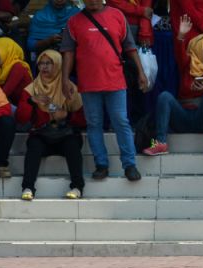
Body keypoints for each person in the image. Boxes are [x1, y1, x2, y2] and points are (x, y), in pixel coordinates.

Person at [60, 0, 149, 182]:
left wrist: (141, 72)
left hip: (115, 81)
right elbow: (68, 51)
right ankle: (101, 165)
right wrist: (64, 78)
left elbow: (130, 47)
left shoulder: (117, 16)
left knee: (121, 122)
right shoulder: (74, 21)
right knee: (94, 124)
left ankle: (130, 165)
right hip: (88, 83)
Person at [144, 14, 203, 160]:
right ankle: (161, 142)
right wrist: (181, 35)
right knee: (165, 96)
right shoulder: (188, 64)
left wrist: (202, 89)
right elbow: (180, 53)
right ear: (199, 48)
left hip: (202, 119)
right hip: (183, 116)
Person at [17, 49, 85, 200]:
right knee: (34, 145)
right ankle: (28, 187)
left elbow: (83, 119)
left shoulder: (69, 87)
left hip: (65, 134)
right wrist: (30, 101)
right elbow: (21, 118)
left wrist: (67, 115)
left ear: (59, 65)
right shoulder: (31, 89)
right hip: (42, 135)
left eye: (49, 63)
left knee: (72, 144)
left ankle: (77, 187)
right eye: (41, 63)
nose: (44, 67)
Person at [0, 37, 32, 109]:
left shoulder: (18, 67)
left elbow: (3, 94)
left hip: (26, 112)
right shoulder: (1, 70)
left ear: (7, 51)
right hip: (18, 107)